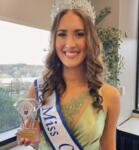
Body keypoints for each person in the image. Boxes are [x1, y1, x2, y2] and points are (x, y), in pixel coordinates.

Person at [18, 0, 120, 149]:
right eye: (62, 34)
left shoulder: (110, 95)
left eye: (79, 34)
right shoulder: (38, 89)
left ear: (90, 40)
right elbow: (34, 141)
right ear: (54, 40)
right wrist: (28, 134)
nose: (70, 44)